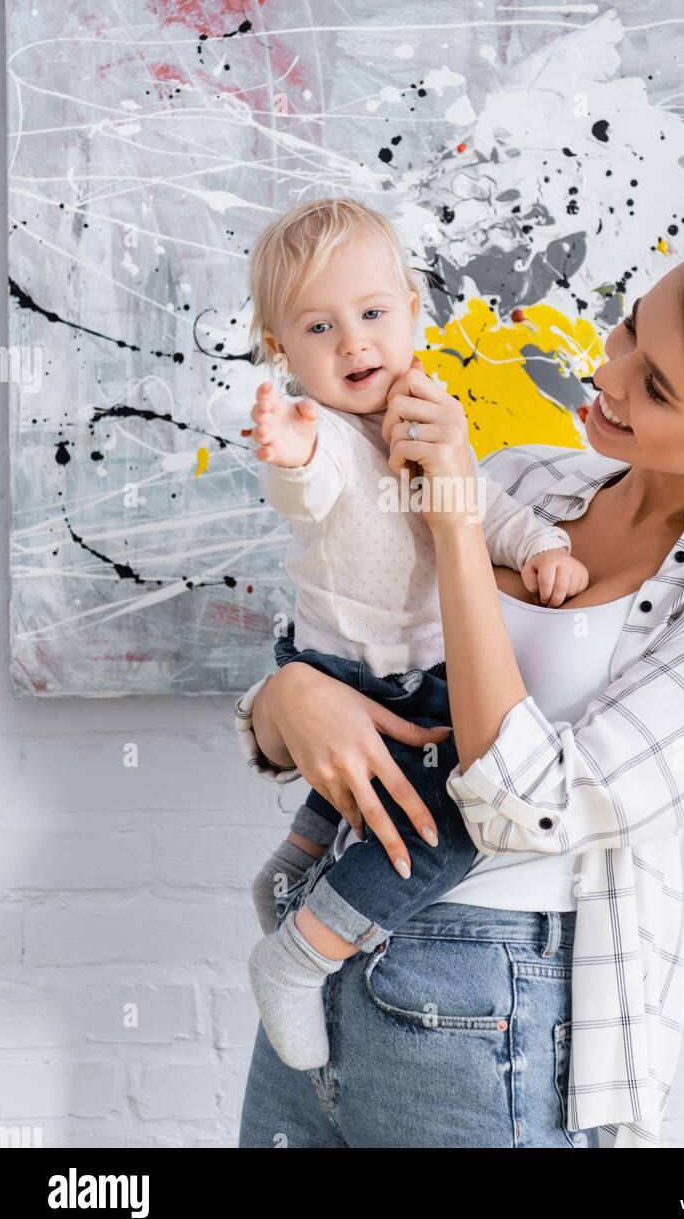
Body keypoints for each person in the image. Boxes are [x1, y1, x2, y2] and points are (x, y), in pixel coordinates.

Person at [236, 234, 684, 1148]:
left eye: (655, 387)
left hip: (488, 1001)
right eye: (626, 331)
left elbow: (524, 805)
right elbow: (376, 657)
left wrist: (454, 522)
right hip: (319, 948)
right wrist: (281, 702)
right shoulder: (530, 476)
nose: (605, 374)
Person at [244, 197, 588, 1072]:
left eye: (371, 315)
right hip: (345, 667)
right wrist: (288, 455)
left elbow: (473, 503)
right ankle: (301, 956)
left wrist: (541, 545)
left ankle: (295, 867)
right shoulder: (320, 432)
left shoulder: (425, 416)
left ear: (411, 309)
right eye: (320, 327)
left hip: (408, 672)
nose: (354, 343)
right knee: (449, 823)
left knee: (375, 785)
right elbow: (310, 488)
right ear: (281, 350)